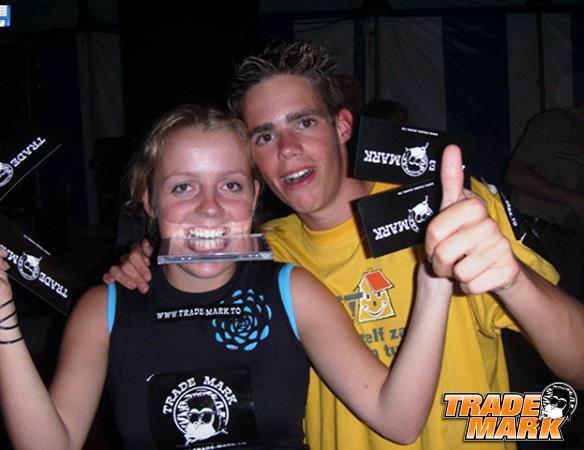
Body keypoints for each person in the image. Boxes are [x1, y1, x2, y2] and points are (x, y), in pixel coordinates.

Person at [105, 42, 584, 450]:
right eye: (264, 136)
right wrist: (142, 267)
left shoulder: (444, 210)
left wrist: (513, 279)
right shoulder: (261, 253)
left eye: (304, 123)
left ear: (342, 127)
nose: (287, 148)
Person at [0, 104, 457, 450]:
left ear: (253, 196)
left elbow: (397, 420)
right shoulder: (104, 310)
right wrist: (1, 312)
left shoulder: (293, 292)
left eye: (230, 185)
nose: (209, 207)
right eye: (183, 187)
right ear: (150, 200)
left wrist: (434, 281)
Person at [505, 90, 584, 300]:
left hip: (571, 242)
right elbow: (515, 174)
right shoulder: (557, 121)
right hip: (535, 232)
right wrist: (573, 200)